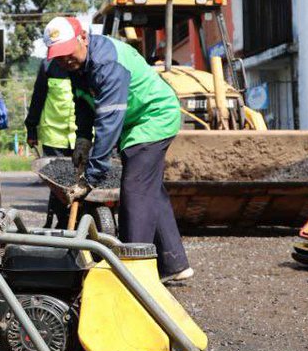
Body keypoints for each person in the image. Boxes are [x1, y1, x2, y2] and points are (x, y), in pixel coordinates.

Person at [42, 16, 194, 284]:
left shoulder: (106, 64)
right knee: (150, 191)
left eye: (67, 52)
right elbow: (83, 103)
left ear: (83, 37)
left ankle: (133, 276)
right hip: (133, 121)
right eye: (58, 55)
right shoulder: (75, 65)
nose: (64, 60)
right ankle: (174, 264)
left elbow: (108, 123)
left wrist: (91, 177)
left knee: (135, 190)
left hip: (153, 116)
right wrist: (82, 139)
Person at [24, 57, 76, 228]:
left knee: (84, 179)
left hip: (82, 135)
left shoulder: (86, 64)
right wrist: (32, 128)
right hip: (54, 136)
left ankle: (81, 218)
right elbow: (38, 98)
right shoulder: (48, 66)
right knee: (59, 183)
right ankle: (63, 222)